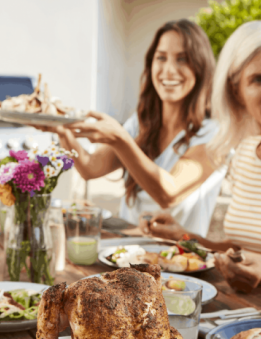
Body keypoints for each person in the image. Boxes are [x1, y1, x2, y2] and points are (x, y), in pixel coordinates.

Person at [145, 20, 261, 312]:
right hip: (244, 313)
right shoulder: (245, 152)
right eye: (258, 79)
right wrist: (185, 237)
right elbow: (243, 250)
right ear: (236, 92)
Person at [35, 19, 225, 236]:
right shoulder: (142, 122)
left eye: (182, 59)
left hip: (179, 261)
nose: (169, 70)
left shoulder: (215, 135)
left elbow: (169, 193)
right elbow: (90, 168)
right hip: (125, 255)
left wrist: (119, 138)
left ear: (201, 68)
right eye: (161, 57)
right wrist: (61, 129)